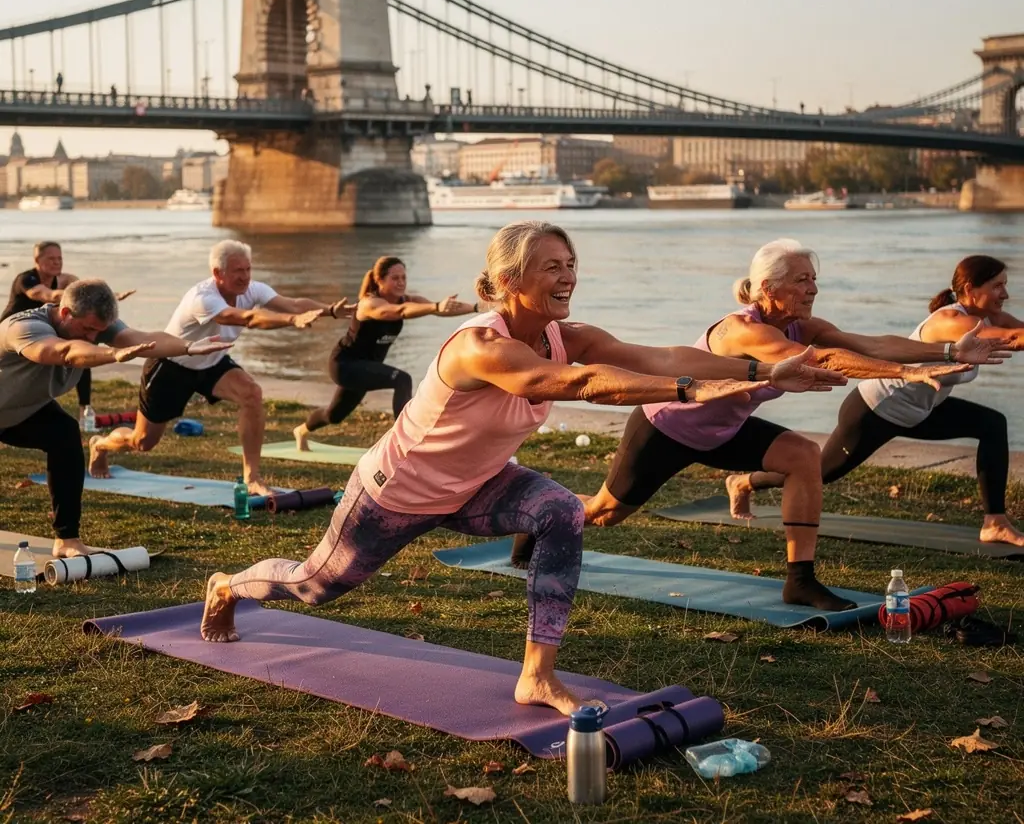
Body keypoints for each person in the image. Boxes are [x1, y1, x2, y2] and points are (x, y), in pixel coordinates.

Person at [200, 221, 847, 716]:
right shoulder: (481, 346)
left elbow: (661, 353)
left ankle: (537, 672)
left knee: (560, 510)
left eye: (571, 265)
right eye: (550, 268)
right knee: (316, 585)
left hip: (479, 484)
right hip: (397, 492)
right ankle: (227, 585)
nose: (566, 276)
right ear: (509, 282)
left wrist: (762, 370)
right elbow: (579, 383)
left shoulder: (569, 330)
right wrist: (691, 392)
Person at [575, 239, 1008, 611]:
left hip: (723, 430)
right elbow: (821, 361)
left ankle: (799, 579)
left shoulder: (804, 325)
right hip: (669, 427)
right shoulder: (744, 331)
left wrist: (949, 353)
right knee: (605, 514)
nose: (813, 288)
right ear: (768, 288)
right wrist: (903, 373)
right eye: (802, 280)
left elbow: (868, 342)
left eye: (813, 278)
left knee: (802, 455)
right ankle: (547, 519)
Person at [88, 240, 353, 495]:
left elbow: (292, 303)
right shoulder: (202, 298)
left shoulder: (252, 289)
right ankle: (100, 445)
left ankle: (252, 478)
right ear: (218, 273)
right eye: (238, 271)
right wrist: (293, 320)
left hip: (212, 360)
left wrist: (330, 310)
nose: (245, 276)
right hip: (171, 366)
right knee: (142, 442)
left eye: (248, 269)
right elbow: (246, 318)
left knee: (252, 394)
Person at [0, 280, 231, 557]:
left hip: (22, 410)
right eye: (87, 329)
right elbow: (65, 352)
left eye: (99, 331)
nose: (92, 337)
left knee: (65, 435)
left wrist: (189, 347)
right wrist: (112, 353)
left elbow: (139, 339)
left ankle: (67, 540)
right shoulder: (24, 328)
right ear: (65, 313)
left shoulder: (95, 325)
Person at [811, 254, 1024, 546]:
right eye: (998, 285)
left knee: (992, 425)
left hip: (922, 410)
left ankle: (995, 523)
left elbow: (1019, 333)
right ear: (972, 288)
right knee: (819, 474)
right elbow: (1012, 339)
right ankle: (746, 482)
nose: (1006, 294)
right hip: (877, 409)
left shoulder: (987, 316)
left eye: (1006, 285)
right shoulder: (951, 321)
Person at [294, 256, 478, 450]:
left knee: (334, 415)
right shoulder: (369, 304)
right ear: (380, 280)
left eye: (403, 278)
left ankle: (301, 431)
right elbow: (399, 312)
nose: (401, 283)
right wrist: (435, 307)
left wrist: (476, 308)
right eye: (395, 278)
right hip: (344, 365)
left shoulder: (408, 300)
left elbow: (441, 309)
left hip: (366, 368)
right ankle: (405, 441)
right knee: (402, 379)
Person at [2, 241, 136, 428]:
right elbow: (44, 295)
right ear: (37, 260)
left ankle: (85, 409)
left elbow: (88, 296)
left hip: (47, 336)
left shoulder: (67, 279)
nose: (56, 263)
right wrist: (68, 298)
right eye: (51, 259)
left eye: (59, 258)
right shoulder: (26, 279)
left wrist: (109, 297)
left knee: (85, 355)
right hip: (18, 338)